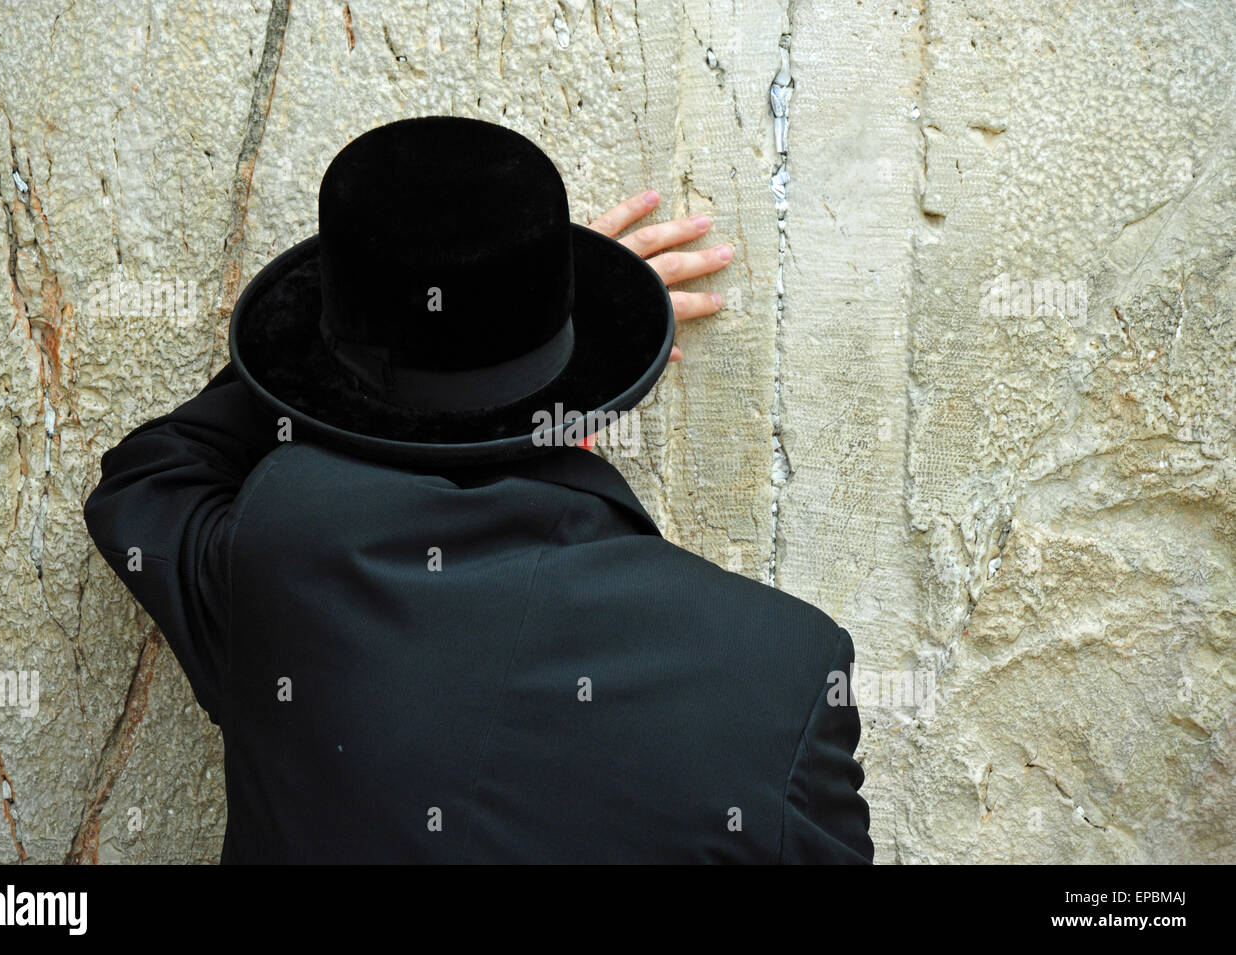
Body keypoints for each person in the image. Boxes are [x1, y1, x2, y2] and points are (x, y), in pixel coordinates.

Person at [84, 115, 873, 863]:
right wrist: (545, 310)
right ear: (581, 399)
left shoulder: (282, 560)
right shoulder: (788, 674)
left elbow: (148, 478)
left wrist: (315, 366)